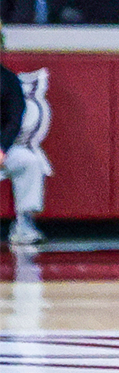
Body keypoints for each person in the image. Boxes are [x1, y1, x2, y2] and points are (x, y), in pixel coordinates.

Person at [0, 29, 50, 245]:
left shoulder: (7, 79)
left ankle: (24, 224)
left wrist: (2, 148)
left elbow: (14, 119)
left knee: (28, 161)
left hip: (1, 150)